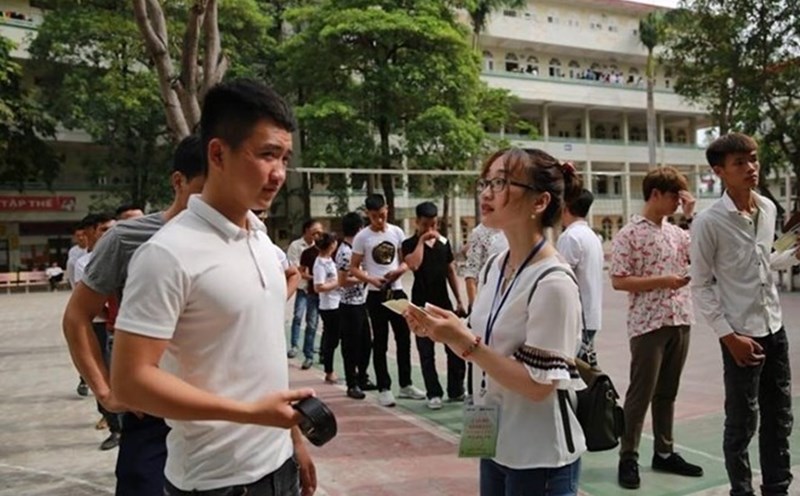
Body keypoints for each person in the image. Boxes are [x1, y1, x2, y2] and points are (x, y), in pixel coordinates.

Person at [111, 79, 316, 496]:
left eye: (285, 158)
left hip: (279, 469)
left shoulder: (260, 239)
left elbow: (261, 356)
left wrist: (292, 441)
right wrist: (248, 414)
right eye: (266, 155)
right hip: (215, 484)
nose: (279, 173)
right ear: (218, 153)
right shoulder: (167, 254)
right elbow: (130, 381)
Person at [403, 147, 585, 495]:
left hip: (538, 456)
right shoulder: (495, 265)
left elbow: (538, 386)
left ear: (539, 202)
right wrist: (444, 333)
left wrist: (466, 342)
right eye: (486, 182)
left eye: (501, 183)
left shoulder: (553, 283)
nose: (486, 193)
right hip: (496, 441)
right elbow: (485, 350)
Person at [62, 135, 205, 496]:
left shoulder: (241, 237)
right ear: (179, 182)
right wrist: (107, 393)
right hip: (152, 408)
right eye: (204, 189)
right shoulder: (128, 238)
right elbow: (77, 317)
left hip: (218, 406)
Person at [691, 133, 797, 496]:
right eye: (740, 163)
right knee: (741, 423)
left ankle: (777, 487)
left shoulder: (767, 208)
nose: (751, 167)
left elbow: (763, 261)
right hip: (740, 335)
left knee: (780, 417)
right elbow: (700, 285)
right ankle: (741, 491)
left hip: (774, 327)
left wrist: (794, 254)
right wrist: (728, 336)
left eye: (753, 159)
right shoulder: (708, 222)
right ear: (719, 171)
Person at [610, 166, 703, 490]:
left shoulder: (677, 232)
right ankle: (628, 456)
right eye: (675, 196)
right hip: (648, 324)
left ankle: (664, 452)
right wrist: (663, 281)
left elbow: (698, 256)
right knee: (640, 394)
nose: (680, 201)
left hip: (680, 319)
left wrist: (690, 217)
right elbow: (618, 280)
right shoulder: (629, 235)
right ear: (655, 194)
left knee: (667, 392)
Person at [350, 194, 426, 407]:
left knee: (404, 339)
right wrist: (370, 278)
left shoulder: (396, 232)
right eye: (374, 217)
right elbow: (354, 267)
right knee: (380, 341)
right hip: (376, 294)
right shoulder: (362, 237)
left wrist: (399, 271)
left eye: (382, 215)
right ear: (368, 214)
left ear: (388, 210)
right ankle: (384, 387)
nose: (379, 220)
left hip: (397, 290)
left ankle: (406, 384)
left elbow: (405, 260)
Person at [401, 201, 466, 409]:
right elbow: (414, 264)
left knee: (454, 347)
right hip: (420, 304)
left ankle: (456, 390)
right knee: (426, 351)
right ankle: (433, 393)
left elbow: (450, 271)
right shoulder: (409, 244)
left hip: (443, 303)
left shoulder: (444, 243)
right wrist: (421, 241)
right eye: (426, 224)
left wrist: (459, 299)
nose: (431, 229)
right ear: (417, 222)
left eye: (434, 224)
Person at [72, 212, 119, 450]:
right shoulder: (82, 262)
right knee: (101, 374)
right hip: (101, 325)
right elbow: (83, 307)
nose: (111, 234)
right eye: (104, 230)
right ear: (91, 232)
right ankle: (114, 424)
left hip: (120, 326)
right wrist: (109, 315)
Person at [556, 188, 604, 367]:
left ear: (565, 207)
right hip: (591, 314)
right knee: (585, 368)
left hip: (576, 317)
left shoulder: (570, 237)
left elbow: (561, 277)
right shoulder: (591, 236)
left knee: (574, 373)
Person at [336, 212, 376, 399]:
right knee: (351, 346)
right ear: (359, 229)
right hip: (349, 305)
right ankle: (352, 383)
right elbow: (342, 281)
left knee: (366, 343)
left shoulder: (356, 250)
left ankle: (363, 376)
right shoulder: (344, 252)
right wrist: (364, 278)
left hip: (361, 303)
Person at [287, 220, 323, 364]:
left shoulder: (320, 247)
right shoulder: (296, 246)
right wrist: (314, 277)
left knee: (313, 320)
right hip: (303, 287)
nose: (318, 234)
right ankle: (294, 345)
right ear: (307, 230)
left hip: (316, 290)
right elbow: (296, 269)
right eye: (315, 231)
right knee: (298, 316)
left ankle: (310, 350)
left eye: (320, 232)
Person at [313, 232, 342, 386]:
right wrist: (338, 283)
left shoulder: (330, 260)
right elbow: (319, 287)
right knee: (332, 339)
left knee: (337, 338)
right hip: (329, 306)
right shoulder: (320, 264)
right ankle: (329, 371)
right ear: (331, 245)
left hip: (338, 302)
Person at [462, 222, 508, 313]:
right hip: (489, 299)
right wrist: (474, 308)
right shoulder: (480, 232)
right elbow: (471, 273)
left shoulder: (519, 226)